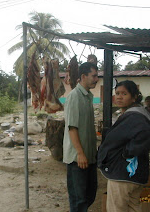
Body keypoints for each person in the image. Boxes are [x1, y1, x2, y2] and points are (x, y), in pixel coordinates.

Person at [98, 80, 150, 212]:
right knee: (133, 207)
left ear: (134, 97)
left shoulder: (135, 116)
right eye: (117, 93)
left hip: (123, 174)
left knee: (116, 208)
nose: (119, 96)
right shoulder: (135, 114)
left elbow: (144, 135)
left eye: (124, 94)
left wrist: (127, 152)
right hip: (134, 174)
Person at [63, 62, 99, 212]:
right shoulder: (74, 97)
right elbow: (72, 128)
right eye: (94, 76)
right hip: (77, 158)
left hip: (89, 156)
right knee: (79, 200)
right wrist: (80, 153)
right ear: (83, 76)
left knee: (90, 194)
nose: (96, 79)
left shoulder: (88, 97)